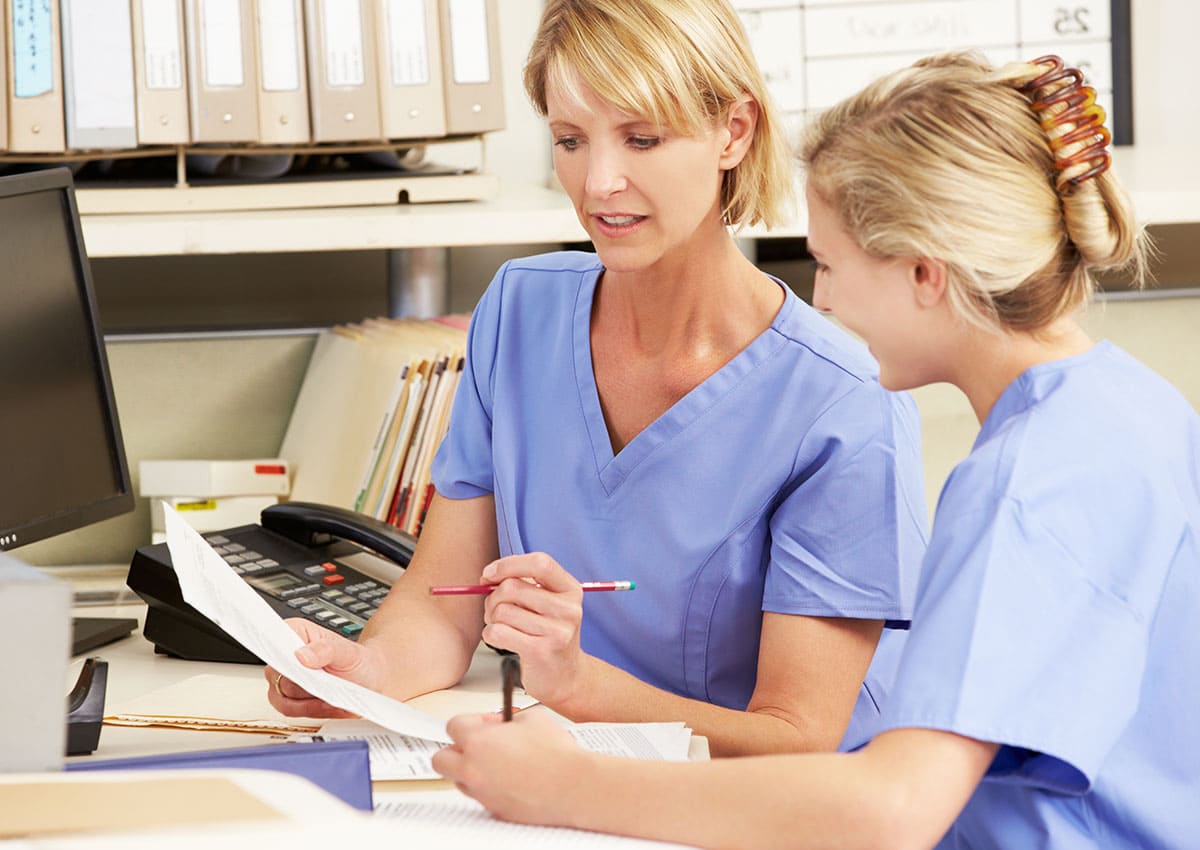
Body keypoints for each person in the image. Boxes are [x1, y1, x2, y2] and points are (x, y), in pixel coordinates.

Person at [431, 52, 1200, 849]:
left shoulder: (1022, 487)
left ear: (925, 274)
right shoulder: (1130, 405)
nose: (821, 298)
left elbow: (892, 810)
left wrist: (565, 786)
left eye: (828, 265)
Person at [266, 0, 928, 758]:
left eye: (642, 139)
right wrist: (366, 672)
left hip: (758, 804)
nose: (599, 182)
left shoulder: (844, 405)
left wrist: (578, 685)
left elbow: (796, 742)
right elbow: (443, 604)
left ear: (734, 131)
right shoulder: (519, 311)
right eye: (570, 140)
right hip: (583, 770)